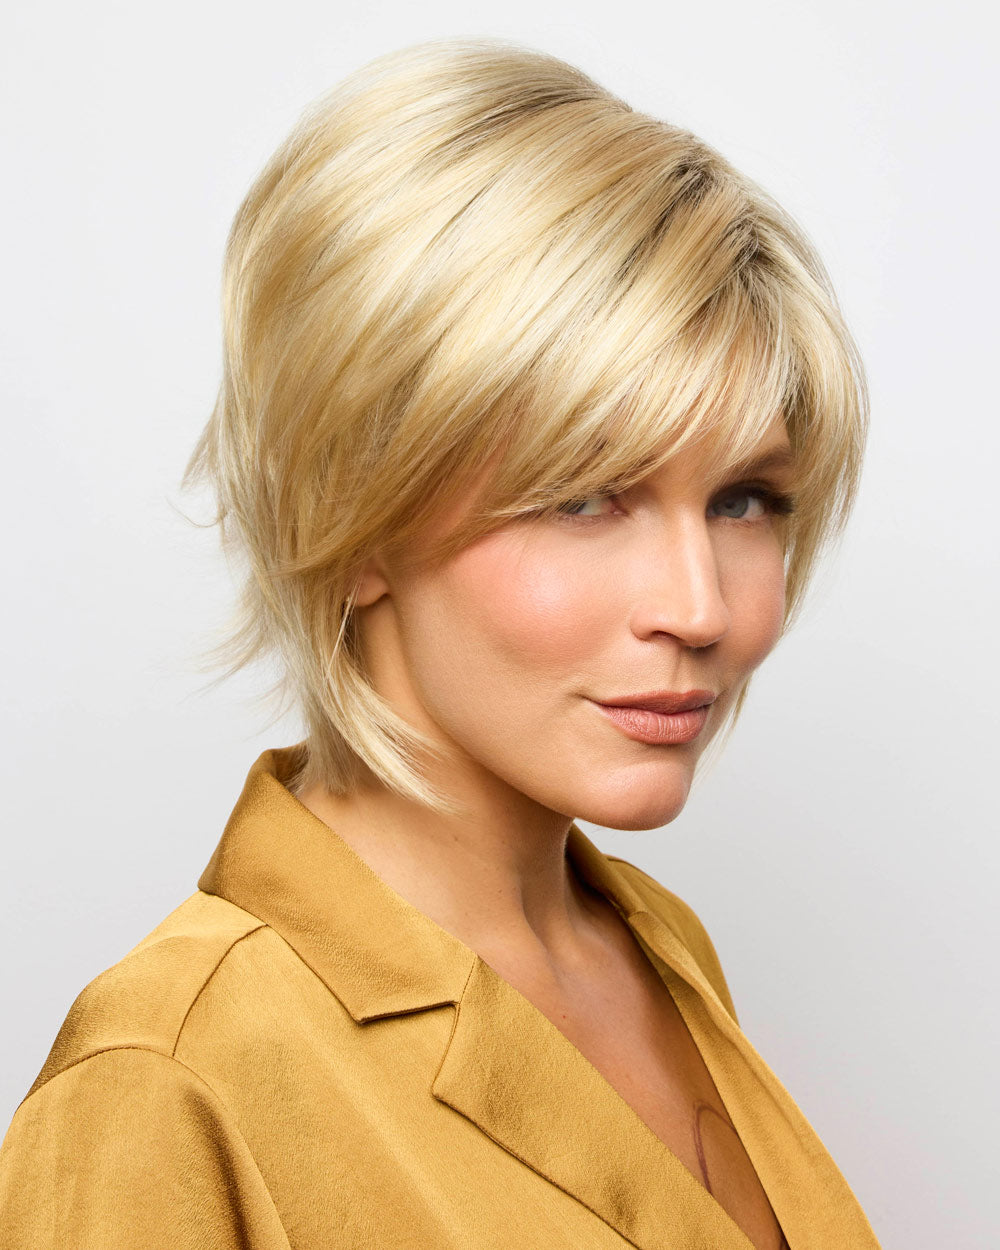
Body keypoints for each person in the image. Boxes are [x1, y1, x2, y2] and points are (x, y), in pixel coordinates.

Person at [0, 36, 881, 1250]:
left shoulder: (655, 946)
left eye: (743, 499)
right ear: (350, 515)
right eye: (586, 496)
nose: (701, 607)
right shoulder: (166, 1078)